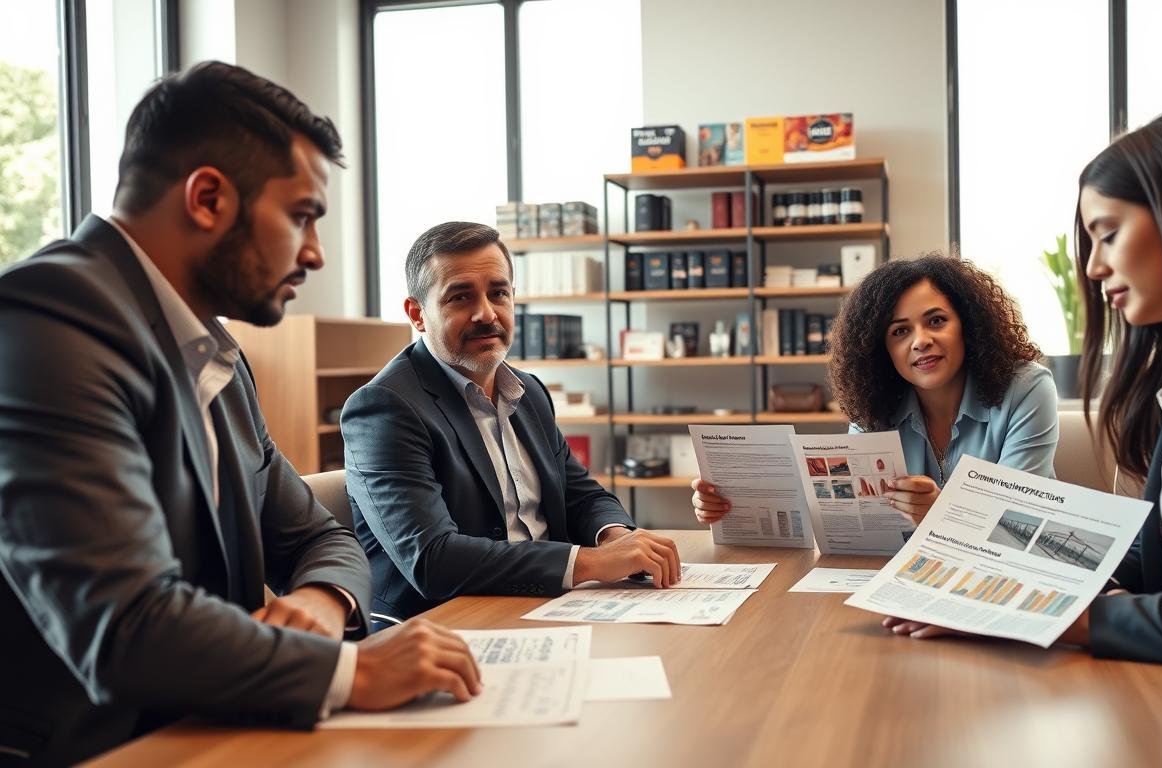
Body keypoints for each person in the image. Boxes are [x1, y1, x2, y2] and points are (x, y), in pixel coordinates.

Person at [0, 62, 482, 766]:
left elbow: (321, 536)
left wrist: (322, 604)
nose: (315, 253)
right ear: (207, 198)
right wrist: (355, 670)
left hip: (222, 725)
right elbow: (125, 627)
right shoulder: (47, 321)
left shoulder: (213, 352)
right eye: (302, 216)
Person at [885, 111, 1162, 762]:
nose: (1094, 268)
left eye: (1107, 235)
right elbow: (1151, 558)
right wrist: (987, 577)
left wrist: (1052, 616)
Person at [342, 221, 681, 622]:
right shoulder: (384, 408)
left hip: (546, 604)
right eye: (460, 297)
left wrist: (617, 538)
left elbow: (581, 495)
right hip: (440, 623)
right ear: (417, 314)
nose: (486, 314)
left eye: (498, 293)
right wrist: (589, 563)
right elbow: (433, 560)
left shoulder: (529, 391)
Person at [692, 254, 1058, 529]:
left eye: (936, 321)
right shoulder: (874, 408)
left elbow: (1019, 520)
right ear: (881, 350)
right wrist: (732, 506)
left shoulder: (1027, 388)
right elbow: (850, 519)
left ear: (969, 325)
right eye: (900, 331)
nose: (921, 341)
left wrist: (942, 509)